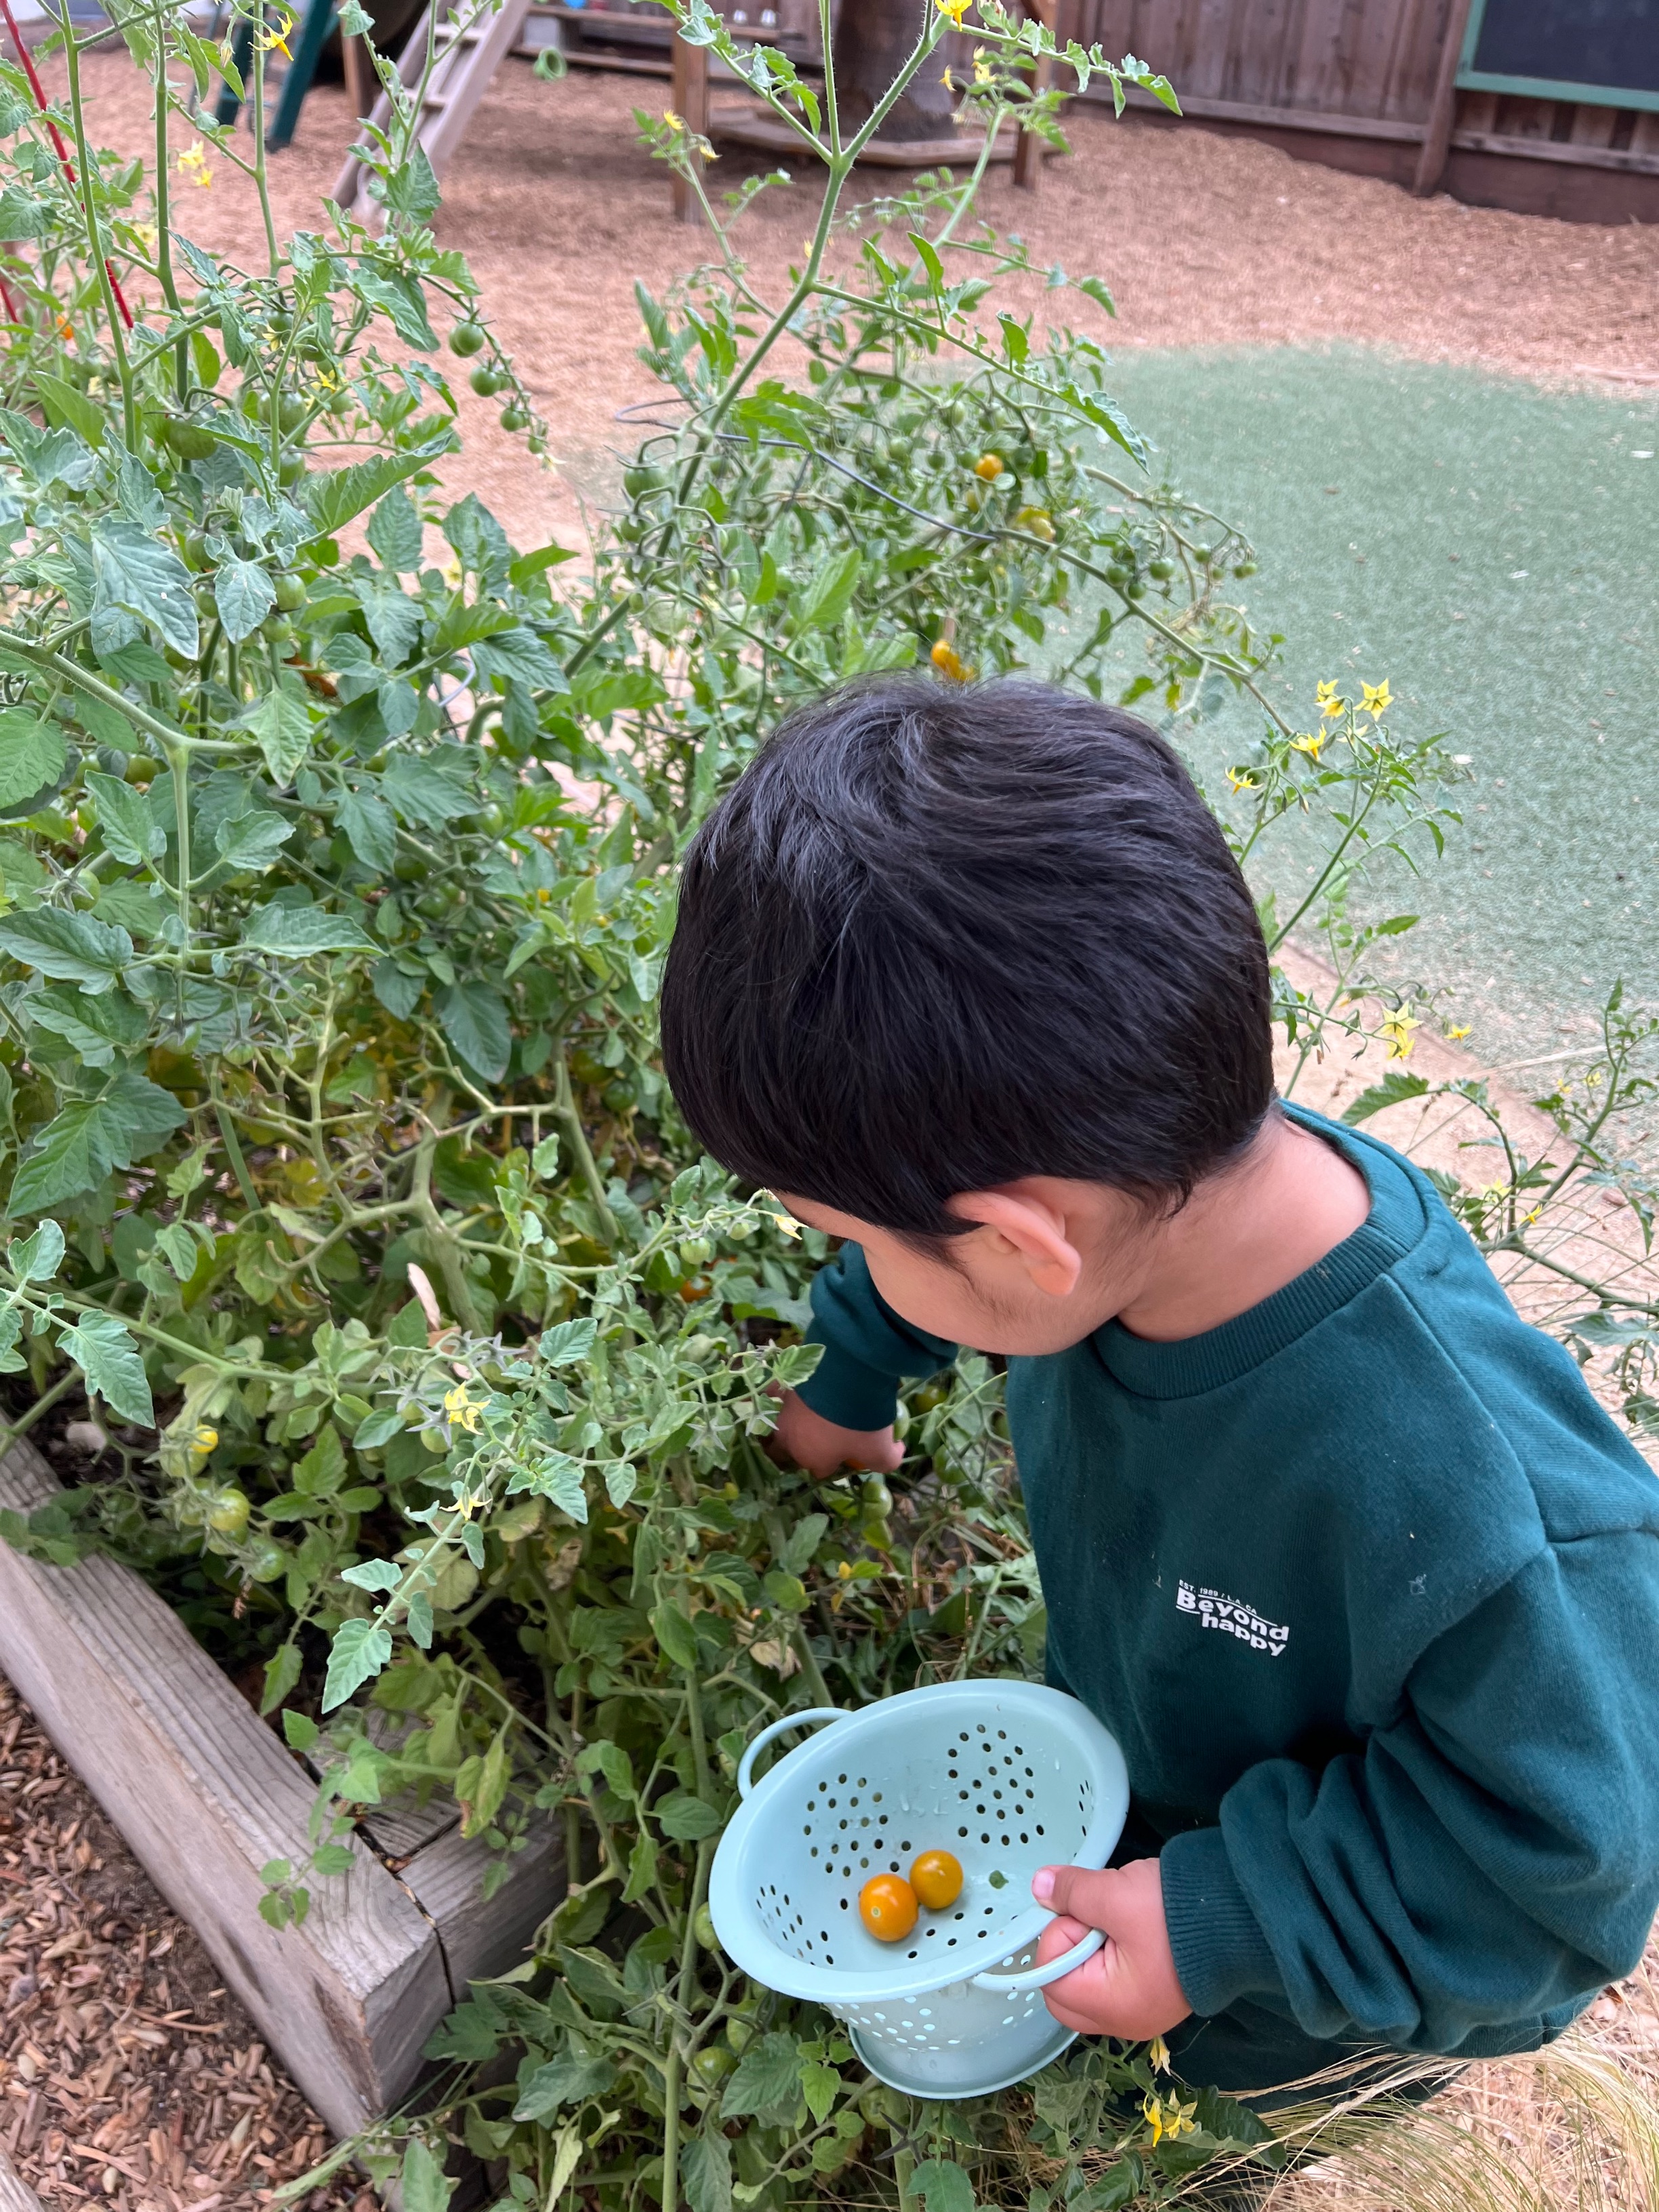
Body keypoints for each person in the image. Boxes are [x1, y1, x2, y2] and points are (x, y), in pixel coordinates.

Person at [658, 674, 1659, 2097]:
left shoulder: (1483, 1504)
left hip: (1327, 1992)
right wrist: (853, 1376)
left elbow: (1563, 1883)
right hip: (1152, 1787)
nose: (859, 1263)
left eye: (853, 1239)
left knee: (1229, 2127)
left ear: (1020, 1243)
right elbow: (924, 1261)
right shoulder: (1135, 1176)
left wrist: (1217, 1933)